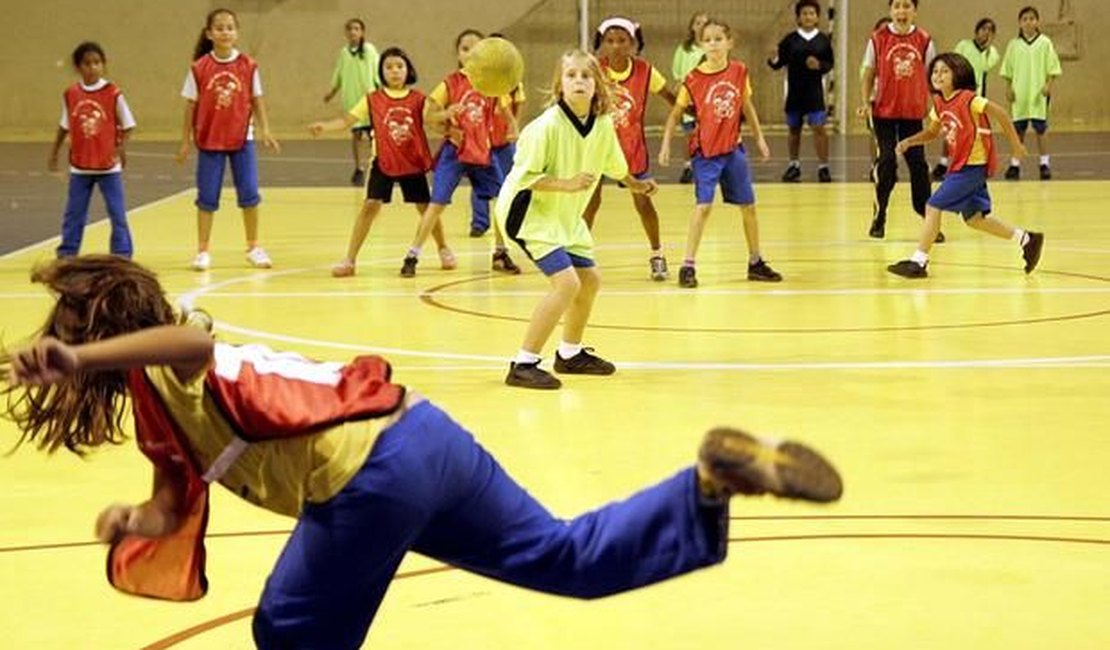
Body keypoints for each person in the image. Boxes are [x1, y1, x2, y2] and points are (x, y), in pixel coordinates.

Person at [1, 255, 843, 650]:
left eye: (70, 336)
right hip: (424, 438)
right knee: (564, 558)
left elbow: (181, 338)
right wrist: (132, 520)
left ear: (108, 333)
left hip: (368, 475)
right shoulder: (161, 411)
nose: (58, 352)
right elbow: (172, 503)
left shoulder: (182, 354)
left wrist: (78, 358)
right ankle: (708, 482)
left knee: (290, 634)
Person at [496, 50, 658, 389]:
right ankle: (523, 363)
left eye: (586, 75)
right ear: (559, 85)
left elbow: (616, 167)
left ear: (598, 85)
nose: (579, 81)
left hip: (565, 218)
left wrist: (638, 186)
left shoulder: (601, 125)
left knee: (590, 280)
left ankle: (569, 353)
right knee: (567, 283)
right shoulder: (544, 128)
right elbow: (523, 178)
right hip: (528, 214)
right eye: (571, 75)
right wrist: (566, 185)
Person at [886, 53, 1044, 279]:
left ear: (957, 74)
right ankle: (1027, 239)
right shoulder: (939, 103)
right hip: (960, 167)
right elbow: (932, 132)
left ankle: (918, 261)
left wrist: (1016, 145)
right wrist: (910, 141)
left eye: (944, 71)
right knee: (975, 220)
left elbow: (1000, 113)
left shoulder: (969, 99)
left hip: (972, 167)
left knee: (932, 206)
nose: (938, 75)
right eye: (935, 71)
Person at [660, 18, 781, 289]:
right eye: (707, 40)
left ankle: (755, 262)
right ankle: (687, 265)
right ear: (701, 44)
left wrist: (759, 138)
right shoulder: (693, 79)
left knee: (748, 207)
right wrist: (666, 143)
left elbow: (746, 107)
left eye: (718, 39)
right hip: (706, 153)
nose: (713, 44)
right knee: (703, 207)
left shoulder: (739, 71)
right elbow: (675, 114)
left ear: (729, 42)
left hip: (733, 149)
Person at [310, 47, 451, 278]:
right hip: (383, 160)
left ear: (408, 70)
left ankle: (443, 248)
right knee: (369, 206)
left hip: (411, 161)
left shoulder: (419, 100)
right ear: (381, 71)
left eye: (399, 66)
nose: (394, 71)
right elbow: (348, 120)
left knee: (426, 208)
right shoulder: (373, 99)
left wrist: (448, 122)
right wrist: (325, 126)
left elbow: (434, 122)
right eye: (389, 67)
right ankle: (350, 259)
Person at [401, 29, 519, 278]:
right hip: (454, 153)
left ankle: (500, 252)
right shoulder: (450, 83)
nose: (470, 54)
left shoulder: (491, 83)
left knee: (501, 202)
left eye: (476, 49)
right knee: (436, 204)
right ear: (457, 53)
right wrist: (446, 116)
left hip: (482, 153)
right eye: (465, 49)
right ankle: (412, 255)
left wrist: (513, 126)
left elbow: (506, 110)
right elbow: (428, 116)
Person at [176, 7, 280, 272]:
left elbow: (257, 100)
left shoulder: (248, 65)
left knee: (250, 194)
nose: (225, 32)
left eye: (230, 27)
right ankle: (202, 251)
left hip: (241, 139)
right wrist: (185, 140)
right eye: (219, 28)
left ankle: (254, 246)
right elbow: (190, 106)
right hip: (210, 140)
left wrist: (265, 129)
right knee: (207, 197)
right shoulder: (199, 68)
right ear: (209, 33)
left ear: (237, 32)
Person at [582, 16, 676, 281]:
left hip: (631, 147)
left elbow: (670, 96)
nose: (615, 46)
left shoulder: (646, 71)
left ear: (633, 43)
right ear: (601, 43)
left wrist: (692, 109)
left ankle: (657, 254)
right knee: (590, 202)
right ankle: (580, 257)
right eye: (609, 41)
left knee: (643, 203)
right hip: (598, 145)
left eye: (622, 40)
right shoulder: (594, 69)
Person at [48, 41, 136, 259]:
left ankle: (122, 254)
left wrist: (120, 149)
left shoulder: (113, 93)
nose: (92, 67)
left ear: (103, 65)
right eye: (87, 63)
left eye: (97, 63)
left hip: (108, 167)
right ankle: (68, 253)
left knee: (117, 213)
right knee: (74, 214)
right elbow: (64, 125)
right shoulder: (71, 94)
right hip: (80, 166)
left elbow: (129, 125)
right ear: (79, 67)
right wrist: (54, 152)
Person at [858, 0, 936, 241]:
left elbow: (934, 76)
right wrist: (865, 101)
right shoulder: (878, 38)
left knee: (918, 166)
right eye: (897, 6)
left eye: (907, 6)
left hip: (912, 114)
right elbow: (868, 73)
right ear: (890, 10)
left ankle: (927, 218)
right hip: (884, 113)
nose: (902, 11)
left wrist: (938, 106)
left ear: (915, 10)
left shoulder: (924, 40)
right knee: (887, 163)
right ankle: (879, 215)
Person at [767, 0, 834, 183]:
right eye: (804, 13)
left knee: (819, 128)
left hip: (814, 93)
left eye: (812, 13)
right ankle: (793, 165)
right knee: (794, 129)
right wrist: (773, 57)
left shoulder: (823, 40)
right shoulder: (789, 40)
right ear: (798, 17)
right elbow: (778, 63)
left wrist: (819, 65)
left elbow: (829, 64)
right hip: (795, 91)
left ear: (817, 17)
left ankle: (823, 167)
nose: (808, 17)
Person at [469, 33, 525, 239]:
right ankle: (479, 222)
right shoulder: (480, 79)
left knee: (512, 180)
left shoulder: (513, 80)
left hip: (503, 141)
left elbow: (518, 104)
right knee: (481, 183)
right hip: (483, 141)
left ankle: (510, 220)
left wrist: (514, 125)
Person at [999, 6, 1062, 181]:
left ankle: (1044, 163)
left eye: (1032, 18)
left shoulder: (1045, 43)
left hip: (1038, 95)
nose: (1028, 22)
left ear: (1037, 21)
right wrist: (1008, 88)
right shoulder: (1014, 45)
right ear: (1020, 23)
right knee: (1018, 131)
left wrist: (1049, 84)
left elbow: (1052, 68)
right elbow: (1008, 71)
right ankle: (1015, 164)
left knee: (1041, 130)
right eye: (1025, 19)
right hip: (1019, 95)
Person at [933, 17, 999, 179]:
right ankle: (943, 162)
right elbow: (953, 66)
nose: (986, 32)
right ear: (977, 30)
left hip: (976, 99)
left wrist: (986, 49)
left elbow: (986, 66)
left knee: (973, 133)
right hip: (958, 96)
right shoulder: (964, 46)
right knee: (951, 130)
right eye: (983, 29)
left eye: (990, 30)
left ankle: (969, 165)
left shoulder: (992, 53)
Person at [322, 18, 380, 186]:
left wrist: (383, 91)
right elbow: (338, 75)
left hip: (369, 99)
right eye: (350, 29)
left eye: (356, 28)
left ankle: (378, 166)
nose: (353, 32)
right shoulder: (344, 53)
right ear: (346, 33)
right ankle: (359, 168)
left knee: (373, 136)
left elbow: (377, 71)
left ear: (362, 32)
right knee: (356, 135)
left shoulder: (369, 51)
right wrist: (331, 92)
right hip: (352, 100)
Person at [671, 12, 709, 184]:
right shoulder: (683, 49)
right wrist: (680, 87)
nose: (701, 26)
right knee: (688, 133)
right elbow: (677, 74)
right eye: (698, 23)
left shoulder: (711, 48)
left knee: (705, 134)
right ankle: (688, 167)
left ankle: (706, 166)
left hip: (706, 99)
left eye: (705, 23)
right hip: (688, 97)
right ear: (692, 27)